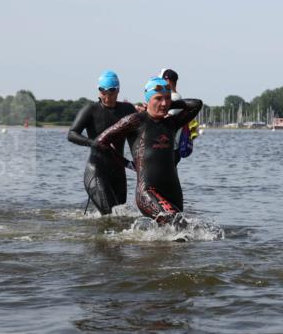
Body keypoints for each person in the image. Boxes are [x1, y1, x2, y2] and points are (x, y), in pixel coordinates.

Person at [95, 78, 202, 225]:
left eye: (167, 99)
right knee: (178, 225)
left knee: (174, 236)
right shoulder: (135, 121)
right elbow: (100, 142)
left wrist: (170, 102)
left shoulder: (172, 122)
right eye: (158, 99)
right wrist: (126, 163)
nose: (164, 103)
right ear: (147, 100)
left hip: (173, 189)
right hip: (147, 191)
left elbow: (196, 104)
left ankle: (148, 247)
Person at [67, 70, 137, 215]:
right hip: (96, 170)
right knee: (110, 214)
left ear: (118, 91)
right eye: (103, 92)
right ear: (99, 91)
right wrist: (93, 142)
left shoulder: (128, 109)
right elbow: (72, 134)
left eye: (111, 93)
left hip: (118, 171)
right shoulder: (90, 110)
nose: (106, 97)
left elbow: (137, 136)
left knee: (121, 216)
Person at [159, 68, 199, 165]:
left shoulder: (175, 97)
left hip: (171, 149)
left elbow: (165, 118)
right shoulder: (171, 97)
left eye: (161, 81)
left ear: (167, 81)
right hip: (169, 148)